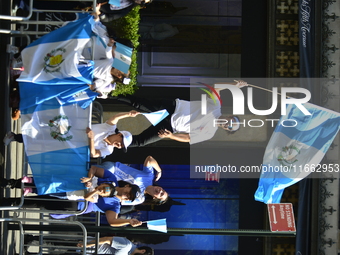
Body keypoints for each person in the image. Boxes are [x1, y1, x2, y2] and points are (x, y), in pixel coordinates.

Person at [109, 80, 248, 147]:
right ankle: (109, 94)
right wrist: (233, 85)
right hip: (172, 108)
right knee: (138, 104)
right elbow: (216, 87)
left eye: (230, 126)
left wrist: (171, 136)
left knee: (141, 142)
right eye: (232, 120)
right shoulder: (216, 106)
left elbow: (188, 138)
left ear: (226, 129)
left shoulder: (209, 133)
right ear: (230, 116)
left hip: (171, 128)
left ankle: (111, 141)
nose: (228, 123)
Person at [1, 167, 143, 227]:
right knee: (42, 185)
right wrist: (89, 178)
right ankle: (10, 183)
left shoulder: (115, 205)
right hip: (72, 186)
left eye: (128, 198)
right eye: (128, 192)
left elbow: (112, 221)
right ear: (127, 186)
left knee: (40, 203)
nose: (126, 195)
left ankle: (7, 202)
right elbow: (93, 168)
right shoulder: (111, 178)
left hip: (77, 204)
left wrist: (128, 221)